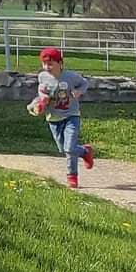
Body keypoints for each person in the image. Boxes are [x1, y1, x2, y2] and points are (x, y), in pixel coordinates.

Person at [31, 47, 96, 188]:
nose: (46, 67)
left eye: (50, 64)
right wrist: (42, 99)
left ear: (60, 63)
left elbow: (84, 83)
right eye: (44, 64)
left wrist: (78, 92)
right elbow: (41, 90)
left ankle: (72, 176)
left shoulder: (71, 76)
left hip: (71, 116)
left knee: (69, 148)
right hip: (53, 118)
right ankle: (85, 151)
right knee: (63, 148)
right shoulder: (43, 76)